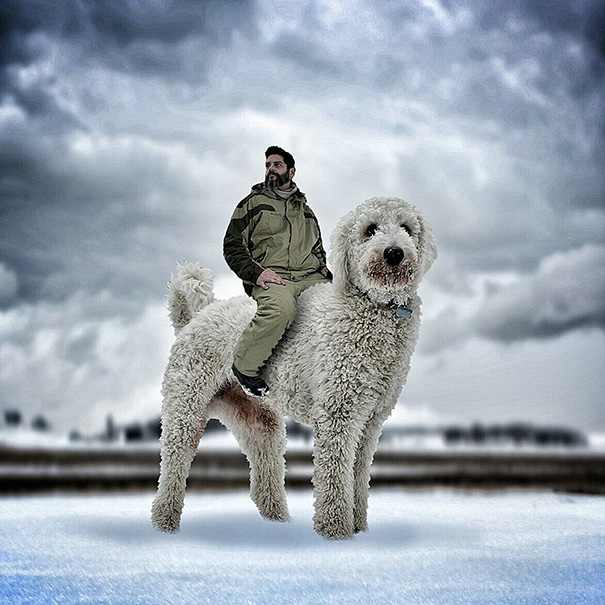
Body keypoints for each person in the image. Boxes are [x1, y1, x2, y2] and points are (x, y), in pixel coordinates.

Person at [223, 146, 332, 397]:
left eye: (277, 165)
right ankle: (245, 367)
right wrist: (255, 273)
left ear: (291, 172)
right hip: (273, 277)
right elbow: (232, 246)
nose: (271, 169)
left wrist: (322, 266)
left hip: (308, 276)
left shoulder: (305, 211)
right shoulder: (252, 204)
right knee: (281, 311)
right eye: (268, 165)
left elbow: (316, 246)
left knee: (341, 305)